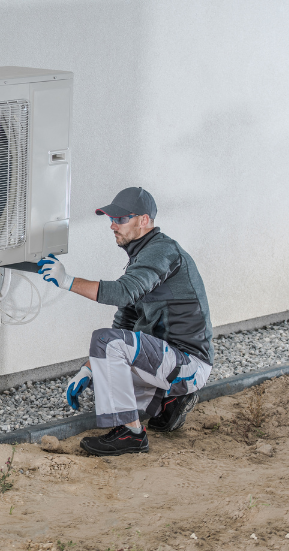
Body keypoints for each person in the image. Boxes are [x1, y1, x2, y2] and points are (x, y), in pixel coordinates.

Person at [38, 187, 213, 456]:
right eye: (111, 219)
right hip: (168, 360)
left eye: (120, 220)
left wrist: (66, 281)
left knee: (105, 343)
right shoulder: (142, 257)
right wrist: (89, 367)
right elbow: (126, 318)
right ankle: (169, 403)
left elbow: (122, 292)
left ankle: (131, 434)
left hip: (188, 362)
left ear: (144, 220)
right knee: (103, 374)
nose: (112, 226)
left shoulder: (162, 251)